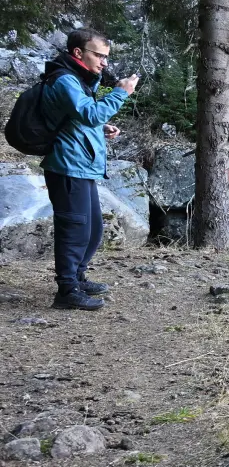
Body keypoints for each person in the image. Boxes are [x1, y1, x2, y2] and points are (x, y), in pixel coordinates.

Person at [39, 28, 139, 310]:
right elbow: (89, 113)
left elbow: (80, 118)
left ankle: (78, 277)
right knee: (74, 230)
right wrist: (120, 93)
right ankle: (67, 290)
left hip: (81, 166)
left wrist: (100, 127)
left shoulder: (78, 79)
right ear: (78, 52)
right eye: (99, 55)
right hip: (67, 166)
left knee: (92, 230)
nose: (104, 63)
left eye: (107, 57)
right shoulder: (65, 80)